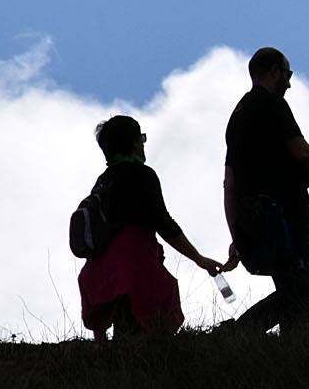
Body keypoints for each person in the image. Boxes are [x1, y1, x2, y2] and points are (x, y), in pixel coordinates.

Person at [222, 47, 309, 335]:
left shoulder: (237, 117)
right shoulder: (272, 105)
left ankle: (301, 356)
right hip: (283, 215)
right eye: (287, 74)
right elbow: (302, 153)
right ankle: (236, 334)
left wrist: (237, 233)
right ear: (274, 71)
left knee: (294, 289)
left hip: (254, 219)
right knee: (300, 287)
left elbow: (229, 184)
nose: (290, 83)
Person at [78, 116, 224, 340]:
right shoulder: (142, 175)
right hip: (134, 269)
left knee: (124, 328)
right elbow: (164, 223)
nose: (144, 144)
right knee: (146, 327)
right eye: (141, 138)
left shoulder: (102, 181)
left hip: (101, 272)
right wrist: (199, 259)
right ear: (134, 143)